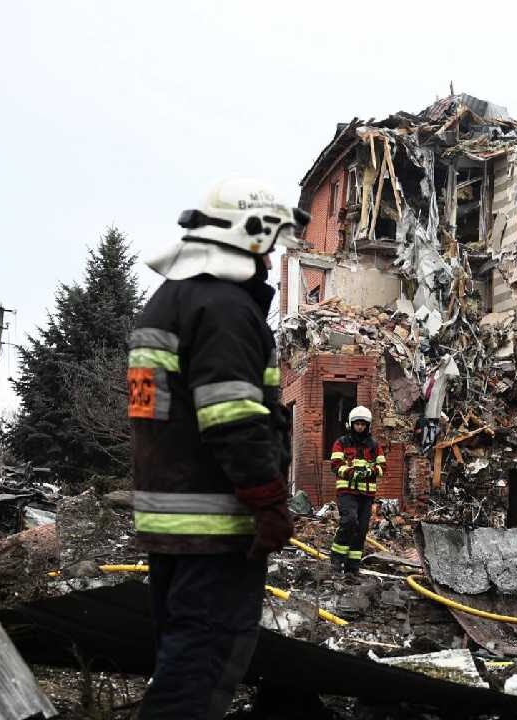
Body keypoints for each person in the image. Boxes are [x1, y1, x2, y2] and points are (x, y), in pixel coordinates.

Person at [128, 178, 305, 719]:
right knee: (198, 676)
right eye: (270, 248)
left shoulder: (167, 303)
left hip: (170, 521)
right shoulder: (224, 307)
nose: (273, 264)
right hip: (216, 528)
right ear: (247, 238)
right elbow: (233, 417)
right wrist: (270, 502)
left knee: (180, 657)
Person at [329, 405, 386, 575]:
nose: (360, 427)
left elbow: (382, 467)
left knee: (361, 529)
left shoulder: (374, 445)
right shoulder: (341, 442)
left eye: (363, 424)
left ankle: (352, 567)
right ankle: (336, 560)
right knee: (349, 520)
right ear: (351, 424)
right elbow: (335, 465)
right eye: (357, 424)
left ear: (367, 425)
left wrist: (370, 471)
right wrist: (350, 472)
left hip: (366, 495)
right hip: (346, 492)